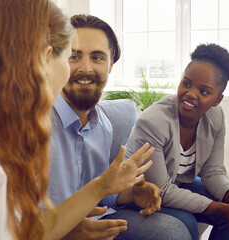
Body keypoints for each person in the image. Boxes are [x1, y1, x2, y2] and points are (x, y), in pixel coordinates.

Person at [0, 1, 154, 239]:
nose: (80, 69)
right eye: (71, 56)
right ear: (46, 59)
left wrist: (110, 187)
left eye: (98, 57)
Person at [48, 14, 190, 240]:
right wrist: (65, 231)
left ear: (111, 64)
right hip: (46, 231)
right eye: (73, 56)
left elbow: (99, 192)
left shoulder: (102, 125)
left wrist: (132, 194)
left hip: (98, 223)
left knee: (175, 232)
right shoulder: (33, 123)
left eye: (97, 57)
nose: (86, 68)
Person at [125, 43, 229, 240]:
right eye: (186, 84)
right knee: (187, 222)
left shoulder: (215, 117)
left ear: (217, 100)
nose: (191, 94)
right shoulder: (152, 122)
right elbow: (162, 190)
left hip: (179, 184)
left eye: (204, 92)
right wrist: (218, 207)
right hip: (140, 193)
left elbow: (213, 173)